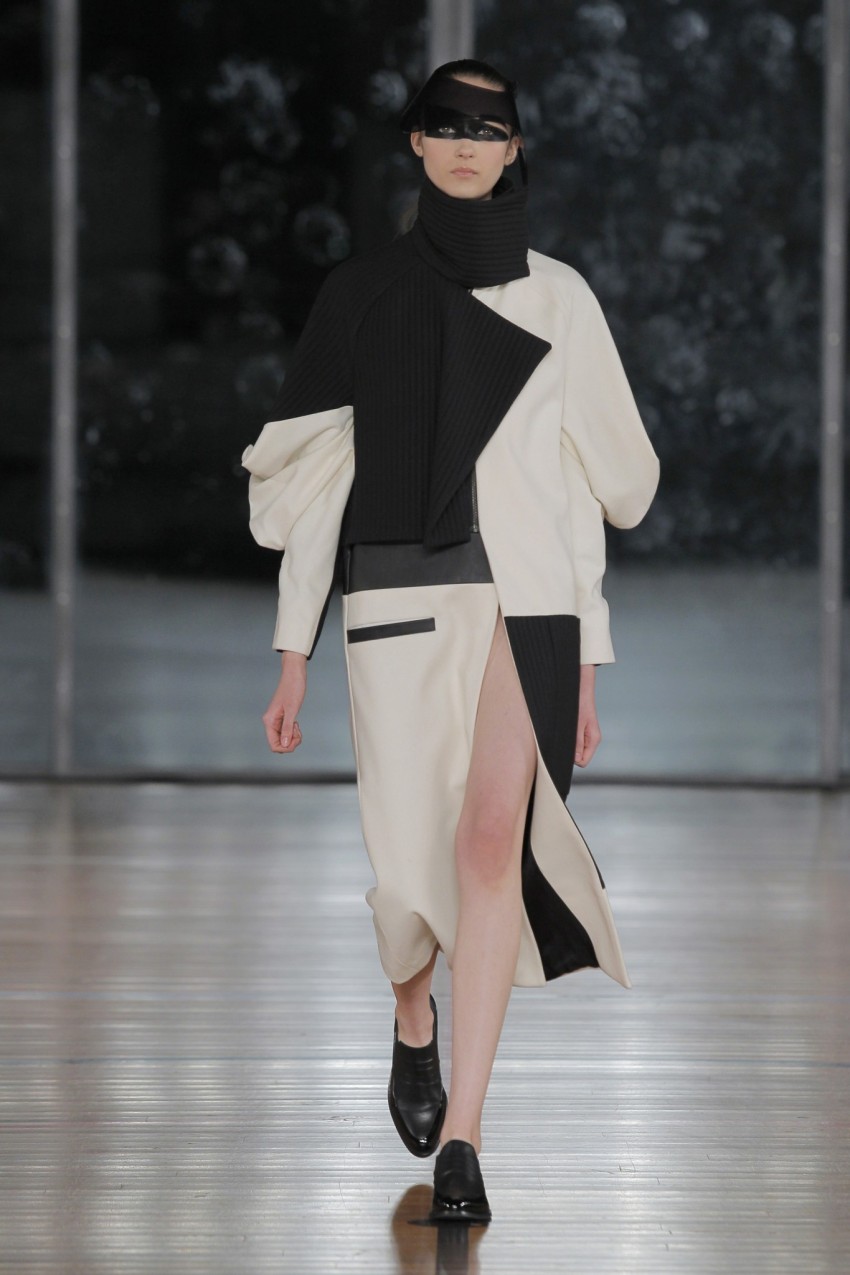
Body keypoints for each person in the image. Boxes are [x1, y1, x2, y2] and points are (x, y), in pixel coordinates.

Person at [241, 59, 660, 1223]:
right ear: (417, 144)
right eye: (448, 124)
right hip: (395, 597)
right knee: (406, 872)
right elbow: (316, 485)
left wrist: (587, 654)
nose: (470, 144)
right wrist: (292, 648)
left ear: (515, 148)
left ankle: (464, 1138)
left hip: (527, 606)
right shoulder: (362, 295)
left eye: (491, 127)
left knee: (486, 843)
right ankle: (410, 1010)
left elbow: (594, 493)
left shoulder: (560, 300)